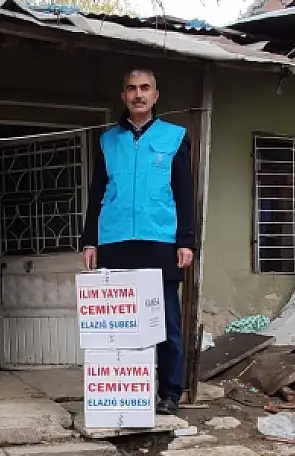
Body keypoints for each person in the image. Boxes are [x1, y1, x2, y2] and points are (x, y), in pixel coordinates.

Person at [80, 69, 196, 416]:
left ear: (155, 96)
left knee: (166, 322)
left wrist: (185, 240)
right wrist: (90, 240)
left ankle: (170, 392)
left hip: (160, 240)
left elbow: (184, 193)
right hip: (115, 241)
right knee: (120, 323)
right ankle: (126, 393)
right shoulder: (107, 142)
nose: (138, 95)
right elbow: (97, 191)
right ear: (124, 97)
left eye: (145, 89)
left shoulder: (175, 137)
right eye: (131, 89)